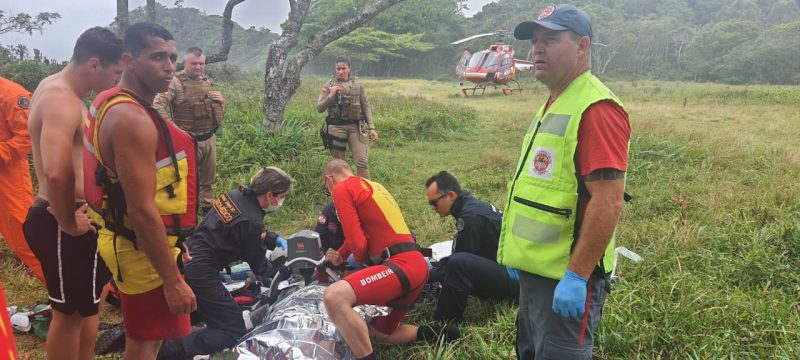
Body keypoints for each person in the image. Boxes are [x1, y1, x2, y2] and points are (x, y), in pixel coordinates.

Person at [497, 4, 631, 359]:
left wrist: (576, 275)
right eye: (535, 40)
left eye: (550, 39)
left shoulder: (596, 108)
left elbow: (609, 200)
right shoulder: (556, 101)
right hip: (536, 272)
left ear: (582, 47)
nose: (537, 48)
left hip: (566, 277)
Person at [83, 22, 198, 360]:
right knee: (145, 340)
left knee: (154, 335)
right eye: (157, 56)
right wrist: (172, 278)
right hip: (141, 251)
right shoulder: (131, 119)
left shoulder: (112, 102)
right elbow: (141, 209)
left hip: (141, 243)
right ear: (129, 60)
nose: (169, 66)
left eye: (173, 57)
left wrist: (176, 244)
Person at [23, 27, 123, 360]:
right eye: (116, 72)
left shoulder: (57, 89)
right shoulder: (61, 99)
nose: (118, 79)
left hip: (75, 217)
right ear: (95, 65)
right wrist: (67, 222)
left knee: (89, 308)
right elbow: (56, 171)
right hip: (61, 219)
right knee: (69, 316)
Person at [321, 159, 457, 360]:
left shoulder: (341, 189)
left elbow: (358, 245)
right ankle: (439, 333)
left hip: (400, 266)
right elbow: (369, 231)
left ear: (329, 179)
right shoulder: (373, 186)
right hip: (417, 267)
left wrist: (350, 264)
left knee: (334, 297)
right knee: (381, 334)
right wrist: (341, 252)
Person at [157, 167, 294, 359]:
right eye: (282, 196)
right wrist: (285, 273)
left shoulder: (234, 196)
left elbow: (235, 231)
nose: (281, 201)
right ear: (270, 195)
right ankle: (170, 349)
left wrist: (270, 237)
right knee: (233, 328)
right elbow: (259, 265)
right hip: (202, 270)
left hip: (188, 256)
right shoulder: (251, 220)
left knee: (208, 309)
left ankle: (163, 329)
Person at [424, 171, 519, 324]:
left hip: (517, 279)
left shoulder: (470, 217)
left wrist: (427, 276)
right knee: (446, 262)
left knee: (457, 264)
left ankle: (444, 325)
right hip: (507, 267)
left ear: (451, 195)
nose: (433, 208)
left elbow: (460, 263)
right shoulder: (471, 207)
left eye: (434, 203)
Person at [154, 46, 224, 214]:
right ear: (185, 62)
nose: (198, 67)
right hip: (188, 141)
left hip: (209, 137)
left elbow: (211, 109)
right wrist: (175, 131)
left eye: (201, 64)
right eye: (194, 64)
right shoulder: (175, 82)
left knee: (209, 179)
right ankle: (186, 215)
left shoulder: (206, 81)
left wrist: (221, 101)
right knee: (187, 179)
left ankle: (207, 210)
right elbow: (157, 105)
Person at [0, 76, 44, 285]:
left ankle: (64, 297)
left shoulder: (11, 94)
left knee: (26, 240)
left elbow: (28, 135)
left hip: (8, 178)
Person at [316, 56, 378, 178]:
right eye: (338, 69)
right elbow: (319, 108)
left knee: (362, 163)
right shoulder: (328, 85)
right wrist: (331, 95)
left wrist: (371, 128)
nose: (340, 72)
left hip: (355, 126)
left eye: (343, 68)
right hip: (336, 128)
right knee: (340, 165)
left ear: (349, 68)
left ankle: (365, 192)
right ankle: (343, 192)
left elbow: (366, 107)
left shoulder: (358, 84)